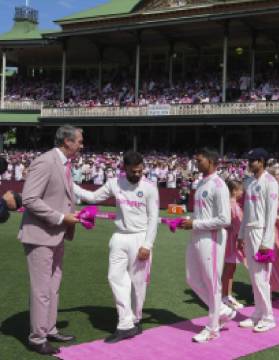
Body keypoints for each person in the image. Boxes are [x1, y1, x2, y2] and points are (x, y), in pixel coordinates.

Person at [74, 151, 159, 343]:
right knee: (115, 277)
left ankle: (136, 320)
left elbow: (154, 218)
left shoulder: (149, 187)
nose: (138, 174)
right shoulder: (114, 183)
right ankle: (125, 323)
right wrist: (70, 185)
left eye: (140, 171)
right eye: (134, 171)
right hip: (119, 237)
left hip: (140, 238)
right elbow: (93, 197)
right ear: (125, 168)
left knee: (138, 284)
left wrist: (148, 244)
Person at [19, 125, 82, 355]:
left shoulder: (64, 164)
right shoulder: (46, 161)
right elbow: (29, 198)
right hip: (40, 236)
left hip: (56, 235)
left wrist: (68, 219)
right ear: (67, 141)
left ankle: (49, 328)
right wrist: (60, 217)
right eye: (79, 141)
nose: (81, 145)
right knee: (42, 290)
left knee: (53, 287)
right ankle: (37, 338)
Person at [177, 148, 235, 343]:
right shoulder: (201, 182)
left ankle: (212, 328)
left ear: (211, 161)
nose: (196, 163)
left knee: (212, 283)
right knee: (191, 278)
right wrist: (190, 220)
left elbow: (224, 219)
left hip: (211, 238)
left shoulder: (219, 185)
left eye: (199, 160)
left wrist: (195, 223)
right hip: (196, 235)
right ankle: (223, 310)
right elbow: (202, 213)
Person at [238, 148, 279, 333]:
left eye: (252, 160)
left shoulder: (270, 182)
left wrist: (267, 241)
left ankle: (269, 317)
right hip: (249, 231)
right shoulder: (251, 183)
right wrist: (240, 234)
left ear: (261, 161)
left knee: (261, 277)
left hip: (262, 232)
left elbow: (272, 214)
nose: (249, 163)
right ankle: (257, 313)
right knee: (254, 276)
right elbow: (246, 212)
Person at [221, 179, 246, 311]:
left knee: (230, 268)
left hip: (231, 239)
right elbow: (234, 223)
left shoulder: (230, 203)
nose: (242, 192)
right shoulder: (232, 205)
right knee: (229, 269)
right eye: (240, 189)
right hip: (232, 240)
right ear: (234, 191)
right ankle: (226, 296)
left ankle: (226, 295)